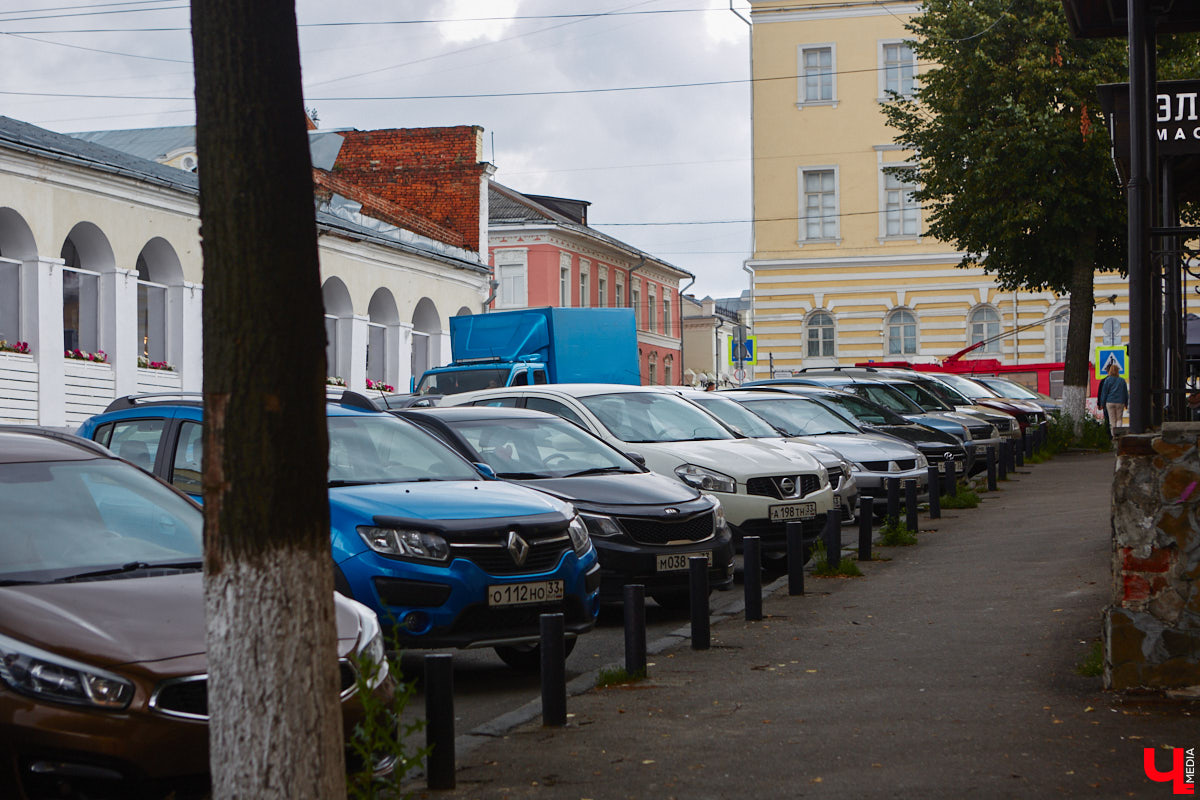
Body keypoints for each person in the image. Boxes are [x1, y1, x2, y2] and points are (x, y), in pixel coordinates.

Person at [1097, 362, 1128, 430]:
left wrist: (1102, 403)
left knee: (1112, 420)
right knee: (1119, 419)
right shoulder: (1122, 381)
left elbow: (1104, 393)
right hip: (1120, 402)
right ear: (1118, 371)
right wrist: (1126, 403)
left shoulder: (1107, 380)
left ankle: (1114, 435)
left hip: (1110, 402)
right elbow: (1125, 392)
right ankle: (1119, 434)